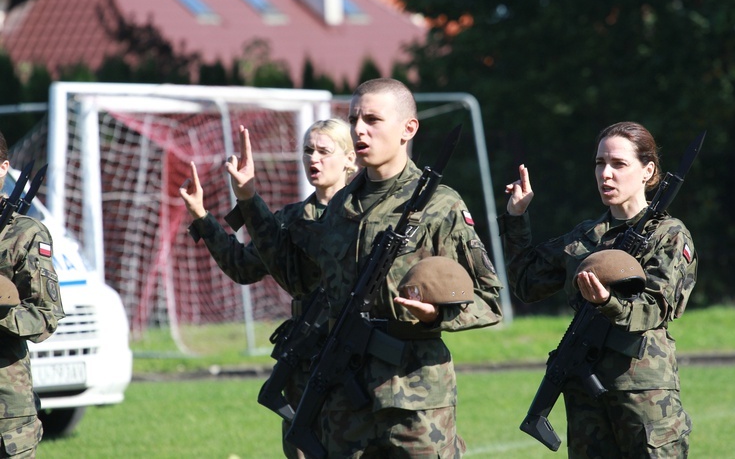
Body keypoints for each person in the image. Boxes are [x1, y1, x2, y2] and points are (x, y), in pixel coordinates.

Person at [226, 77, 503, 457]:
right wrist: (248, 199)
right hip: (344, 398)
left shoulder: (440, 205)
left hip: (415, 401)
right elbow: (297, 278)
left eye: (372, 119)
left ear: (408, 129)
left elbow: (489, 297)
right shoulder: (341, 206)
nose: (359, 129)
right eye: (354, 118)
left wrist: (438, 313)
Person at [500, 121, 696, 458]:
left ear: (648, 171)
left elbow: (653, 309)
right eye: (599, 163)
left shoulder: (669, 235)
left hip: (644, 394)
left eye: (618, 164)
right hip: (585, 393)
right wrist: (517, 217)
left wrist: (607, 302)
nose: (606, 174)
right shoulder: (586, 237)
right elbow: (526, 284)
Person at [179, 118, 357, 459]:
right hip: (305, 356)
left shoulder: (365, 215)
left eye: (324, 151)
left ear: (350, 159)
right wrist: (202, 216)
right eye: (308, 151)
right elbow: (243, 267)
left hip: (351, 353)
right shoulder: (290, 218)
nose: (313, 159)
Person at [0, 133, 65, 457]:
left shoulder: (25, 233)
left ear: (3, 168)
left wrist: (1, 312)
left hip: (5, 411)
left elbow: (45, 316)